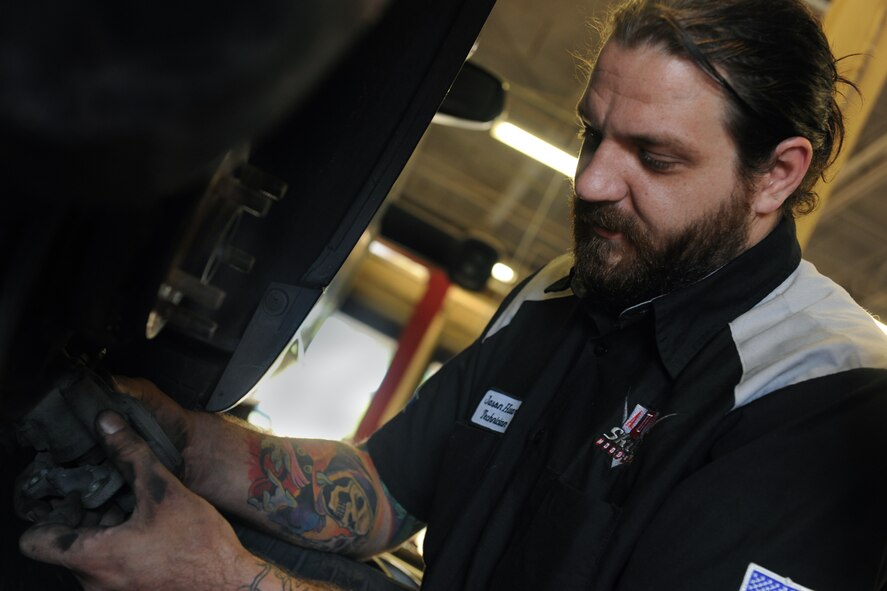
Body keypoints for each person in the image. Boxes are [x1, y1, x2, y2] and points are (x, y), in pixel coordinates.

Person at [18, 0, 887, 589]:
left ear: (777, 173)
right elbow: (380, 494)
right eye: (593, 136)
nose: (589, 183)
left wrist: (231, 577)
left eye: (653, 157)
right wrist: (179, 434)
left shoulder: (825, 395)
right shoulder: (559, 293)